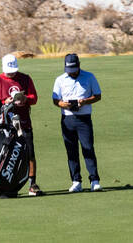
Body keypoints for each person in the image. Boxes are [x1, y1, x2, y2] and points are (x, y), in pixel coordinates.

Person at [0, 53, 42, 196]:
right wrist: (5, 102)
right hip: (6, 124)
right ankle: (4, 182)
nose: (12, 73)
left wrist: (24, 100)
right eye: (9, 71)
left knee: (29, 152)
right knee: (5, 153)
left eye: (13, 70)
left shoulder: (25, 78)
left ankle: (32, 184)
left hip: (23, 122)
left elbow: (34, 98)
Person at [51, 53, 102, 192]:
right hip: (67, 119)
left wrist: (85, 101)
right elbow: (55, 100)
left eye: (74, 69)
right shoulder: (60, 80)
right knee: (71, 151)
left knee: (88, 148)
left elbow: (98, 96)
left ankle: (94, 180)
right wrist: (63, 104)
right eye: (69, 70)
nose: (72, 73)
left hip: (84, 118)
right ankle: (76, 181)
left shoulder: (89, 77)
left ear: (79, 65)